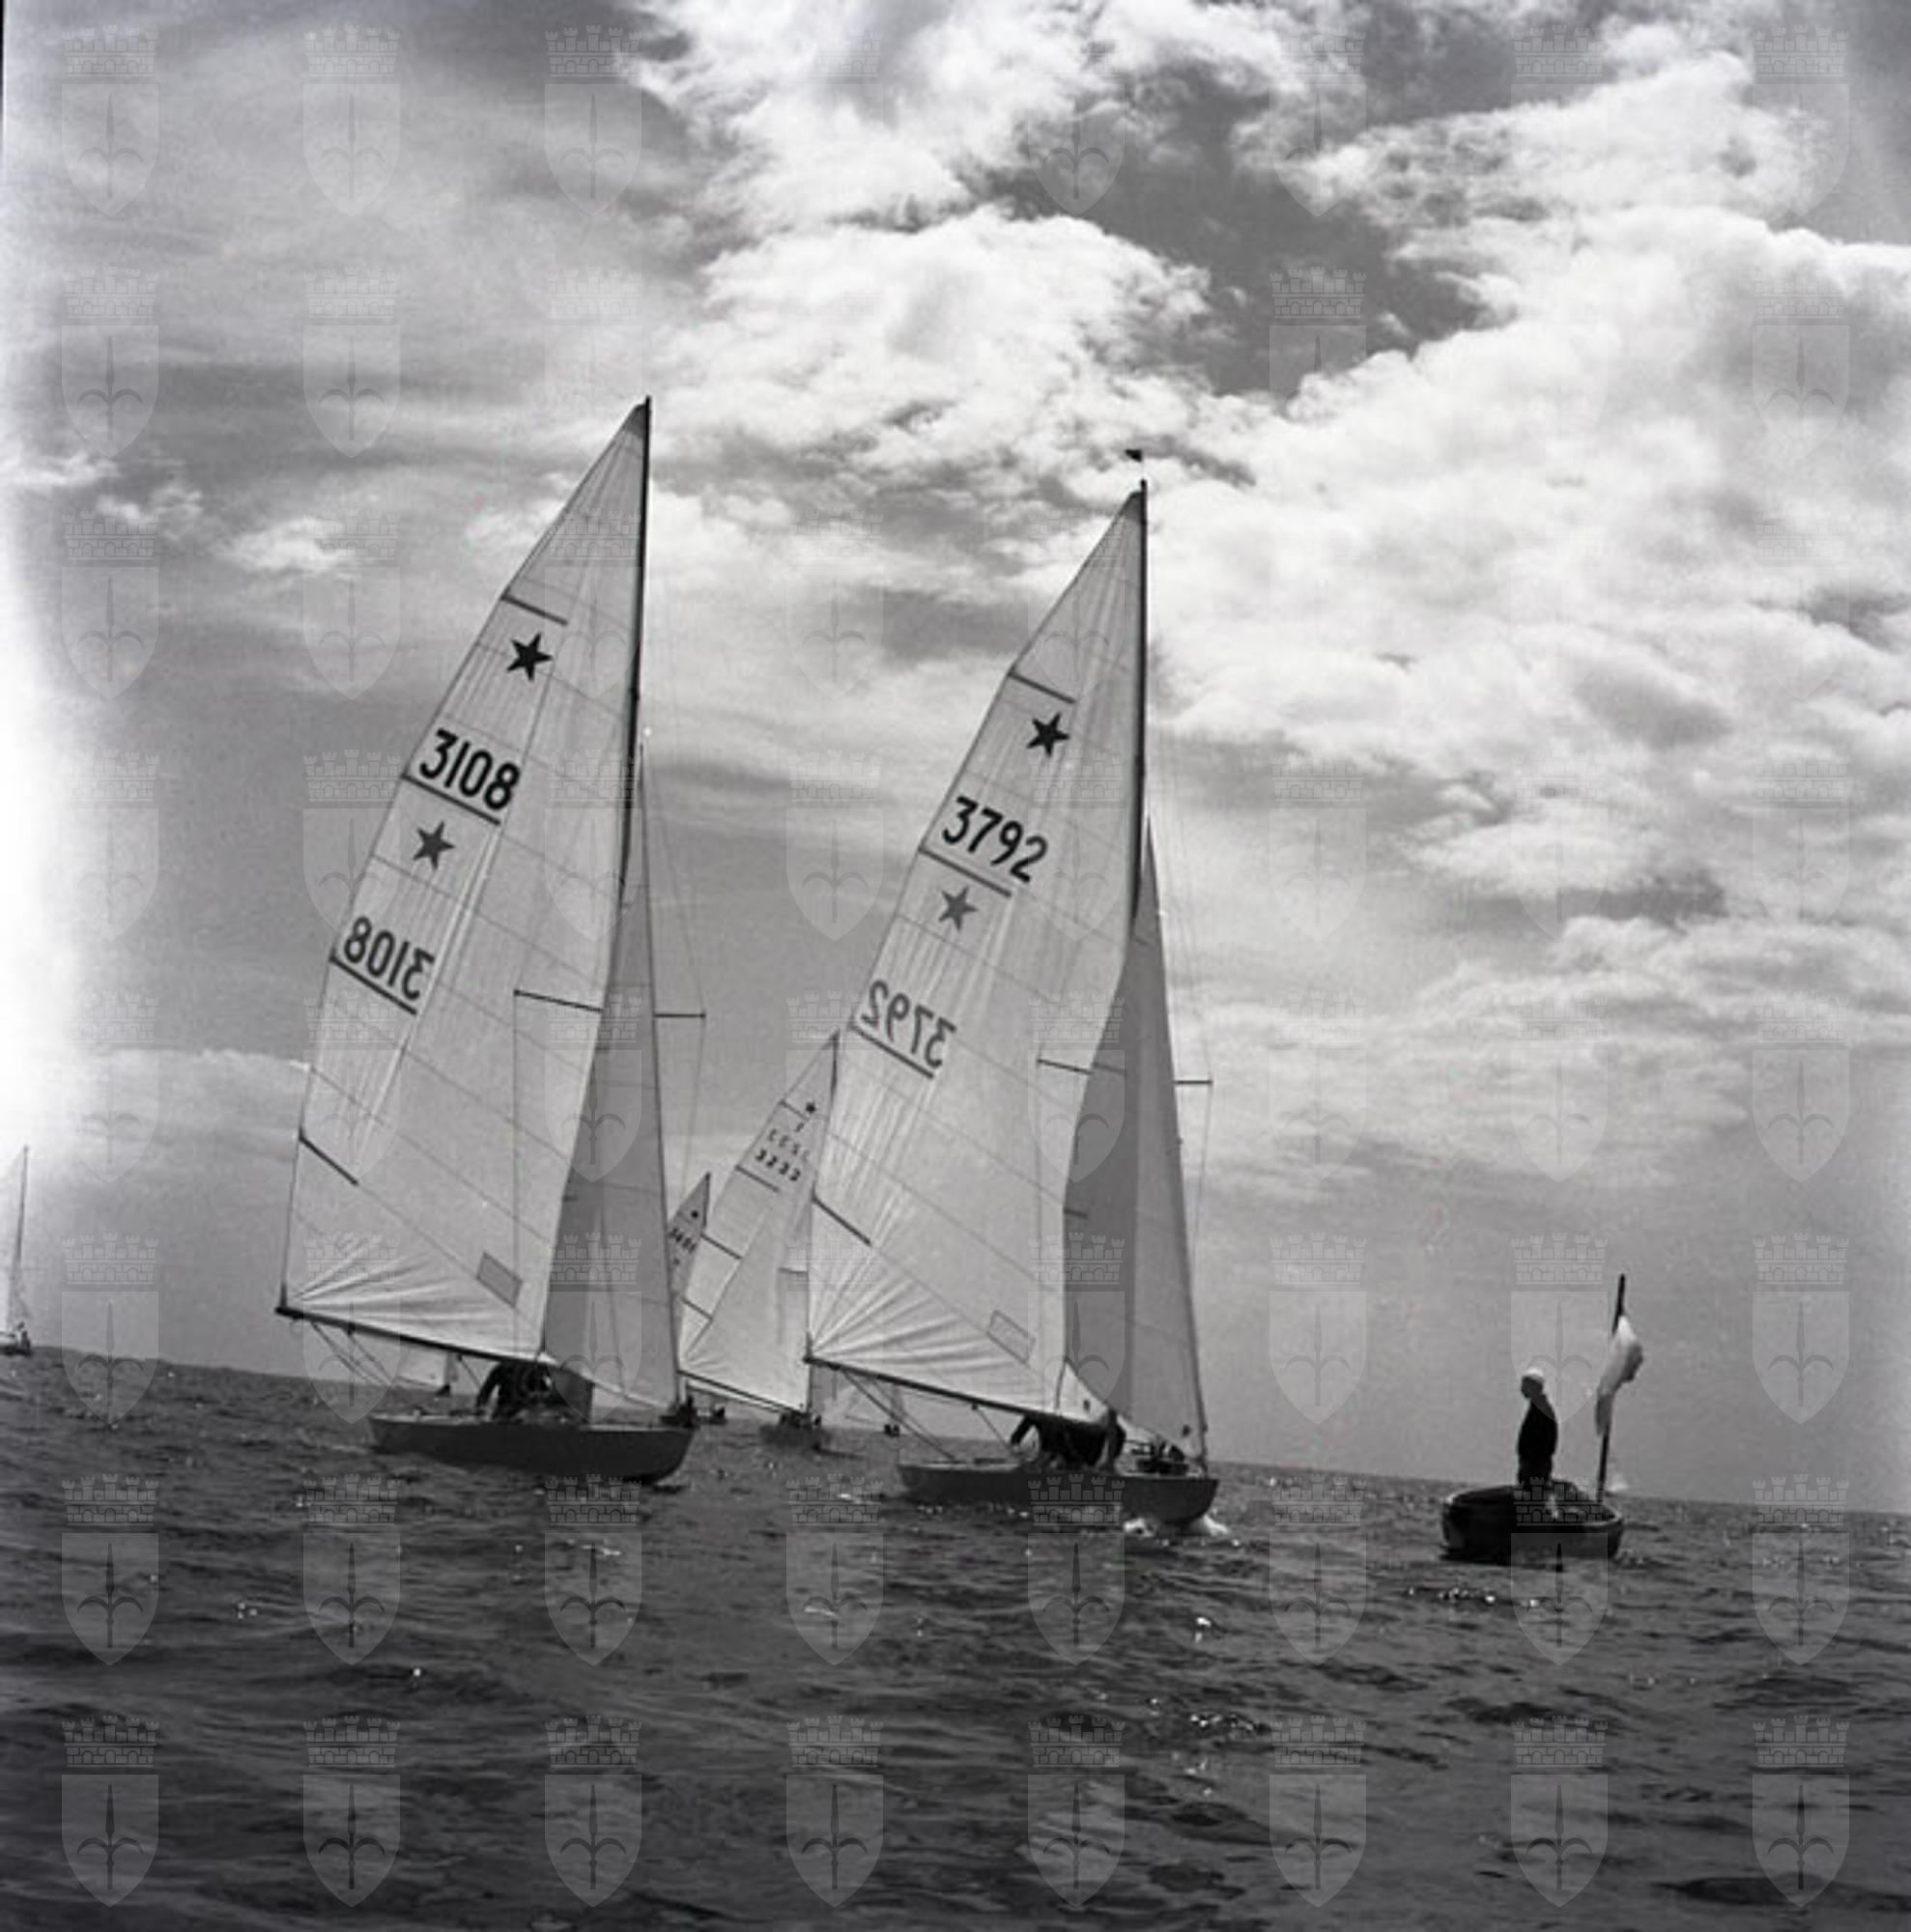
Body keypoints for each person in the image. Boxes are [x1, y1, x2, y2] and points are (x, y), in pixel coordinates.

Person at [1517, 1367, 1558, 1490]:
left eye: (1525, 1385)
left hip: (1535, 1470)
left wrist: (1531, 1466)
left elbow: (1544, 1444)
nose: (1522, 1389)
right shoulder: (1538, 1408)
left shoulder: (1542, 1410)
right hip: (1533, 1469)